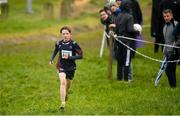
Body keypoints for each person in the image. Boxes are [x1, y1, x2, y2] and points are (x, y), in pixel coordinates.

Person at [49, 26, 83, 109]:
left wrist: (69, 57)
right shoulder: (58, 43)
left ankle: (66, 93)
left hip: (71, 67)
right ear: (61, 34)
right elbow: (56, 50)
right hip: (61, 66)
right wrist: (52, 59)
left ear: (70, 34)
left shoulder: (74, 44)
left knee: (68, 84)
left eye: (67, 33)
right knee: (62, 82)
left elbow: (81, 56)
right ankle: (63, 103)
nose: (65, 35)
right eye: (63, 34)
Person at [110, 1, 138, 81]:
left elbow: (116, 29)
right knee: (127, 61)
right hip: (127, 42)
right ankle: (126, 80)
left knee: (120, 60)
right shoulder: (129, 16)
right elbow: (130, 29)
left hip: (119, 41)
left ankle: (119, 78)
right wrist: (137, 31)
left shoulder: (118, 16)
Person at [162, 9, 179, 88]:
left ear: (171, 15)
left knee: (168, 70)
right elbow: (166, 41)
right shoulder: (165, 27)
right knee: (171, 70)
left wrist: (175, 45)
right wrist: (164, 51)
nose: (166, 18)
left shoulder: (176, 25)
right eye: (164, 16)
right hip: (168, 53)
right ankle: (173, 87)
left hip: (175, 52)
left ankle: (173, 87)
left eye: (168, 16)